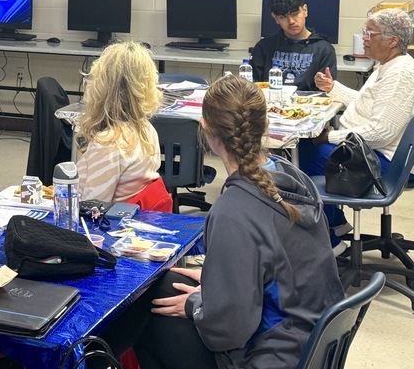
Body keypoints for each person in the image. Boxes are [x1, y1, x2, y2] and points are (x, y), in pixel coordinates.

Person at [97, 75, 344, 369]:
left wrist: (198, 304)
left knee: (150, 313)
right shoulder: (295, 180)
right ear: (265, 126)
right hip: (310, 342)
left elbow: (227, 333)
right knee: (169, 285)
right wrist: (219, 285)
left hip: (271, 356)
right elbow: (279, 264)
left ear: (205, 129)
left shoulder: (233, 210)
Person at [299, 8, 414, 246]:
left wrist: (331, 137)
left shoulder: (400, 73)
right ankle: (336, 223)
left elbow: (381, 132)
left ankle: (328, 241)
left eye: (370, 33)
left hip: (383, 161)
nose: (364, 38)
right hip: (373, 151)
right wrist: (332, 88)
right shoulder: (388, 65)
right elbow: (365, 104)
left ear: (392, 41)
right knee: (308, 147)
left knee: (305, 154)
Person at [75, 42, 162, 203]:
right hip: (128, 219)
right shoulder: (147, 130)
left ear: (100, 88)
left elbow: (91, 207)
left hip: (104, 224)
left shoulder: (108, 144)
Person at [251, 0, 336, 91]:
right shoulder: (264, 46)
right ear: (275, 18)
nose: (291, 21)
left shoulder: (324, 49)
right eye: (283, 17)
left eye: (295, 14)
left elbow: (326, 92)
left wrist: (326, 85)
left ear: (305, 10)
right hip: (271, 102)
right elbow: (252, 87)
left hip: (309, 104)